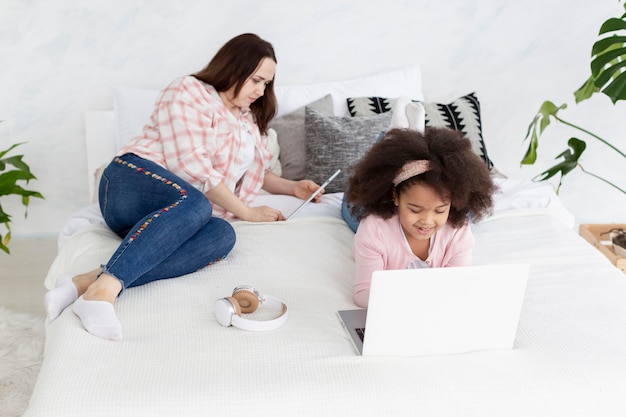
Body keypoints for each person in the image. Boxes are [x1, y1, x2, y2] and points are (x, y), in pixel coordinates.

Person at [44, 33, 323, 340]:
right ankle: (102, 294)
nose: (261, 90)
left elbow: (257, 173)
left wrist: (293, 187)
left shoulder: (247, 120)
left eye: (266, 84)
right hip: (128, 183)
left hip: (168, 220)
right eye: (256, 80)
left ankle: (86, 282)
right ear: (234, 68)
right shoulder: (189, 90)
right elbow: (194, 169)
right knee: (198, 203)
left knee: (222, 234)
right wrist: (248, 212)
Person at [343, 127, 497, 307]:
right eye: (415, 210)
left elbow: (456, 286)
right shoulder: (373, 230)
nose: (427, 221)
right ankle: (388, 134)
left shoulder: (458, 229)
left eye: (439, 210)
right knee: (351, 210)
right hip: (382, 221)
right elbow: (363, 295)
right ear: (396, 196)